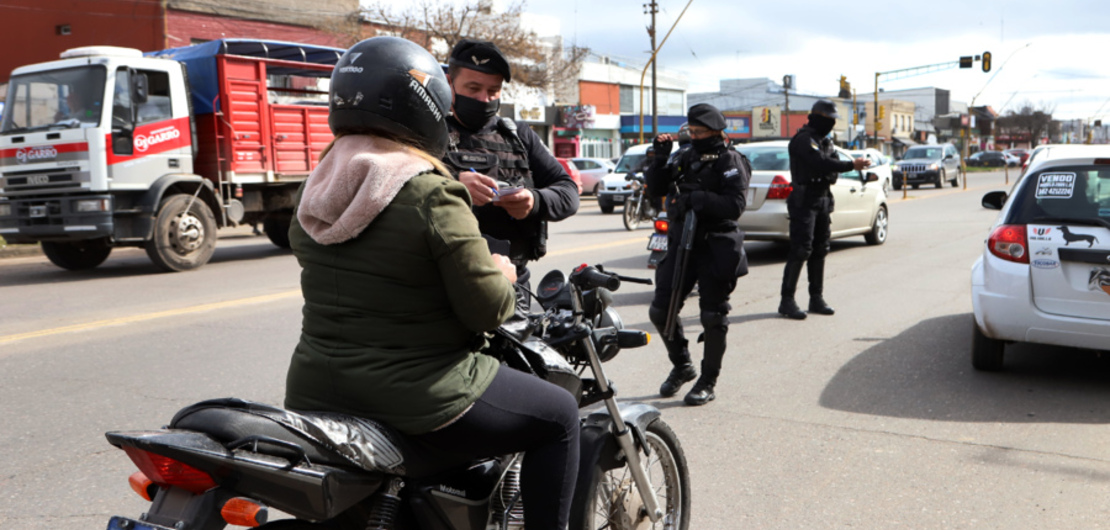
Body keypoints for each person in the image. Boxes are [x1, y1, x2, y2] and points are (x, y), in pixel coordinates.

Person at [283, 37, 579, 529]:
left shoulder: (319, 183)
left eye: (491, 91)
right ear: (426, 108)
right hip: (418, 391)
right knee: (560, 415)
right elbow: (486, 309)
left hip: (315, 387)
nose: (481, 100)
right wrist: (502, 275)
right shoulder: (430, 191)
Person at [441, 39, 579, 294]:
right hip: (447, 284)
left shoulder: (518, 135)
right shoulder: (430, 133)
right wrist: (452, 185)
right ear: (450, 84)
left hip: (515, 282)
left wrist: (533, 201)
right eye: (473, 88)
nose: (484, 99)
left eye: (493, 91)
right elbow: (403, 187)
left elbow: (568, 191)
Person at [645, 103, 751, 406]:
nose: (692, 136)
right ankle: (682, 365)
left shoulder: (730, 160)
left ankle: (708, 380)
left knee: (712, 316)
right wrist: (659, 159)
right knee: (660, 310)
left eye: (698, 132)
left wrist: (697, 198)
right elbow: (656, 189)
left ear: (716, 131)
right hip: (680, 242)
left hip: (714, 244)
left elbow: (735, 206)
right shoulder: (685, 155)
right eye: (690, 131)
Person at [778, 99, 870, 320]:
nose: (830, 124)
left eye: (833, 120)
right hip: (804, 200)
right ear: (817, 117)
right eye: (828, 120)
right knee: (801, 249)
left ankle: (816, 298)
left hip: (822, 199)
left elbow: (831, 172)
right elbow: (819, 163)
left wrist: (833, 167)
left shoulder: (826, 142)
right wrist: (849, 165)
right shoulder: (803, 140)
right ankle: (787, 301)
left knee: (820, 249)